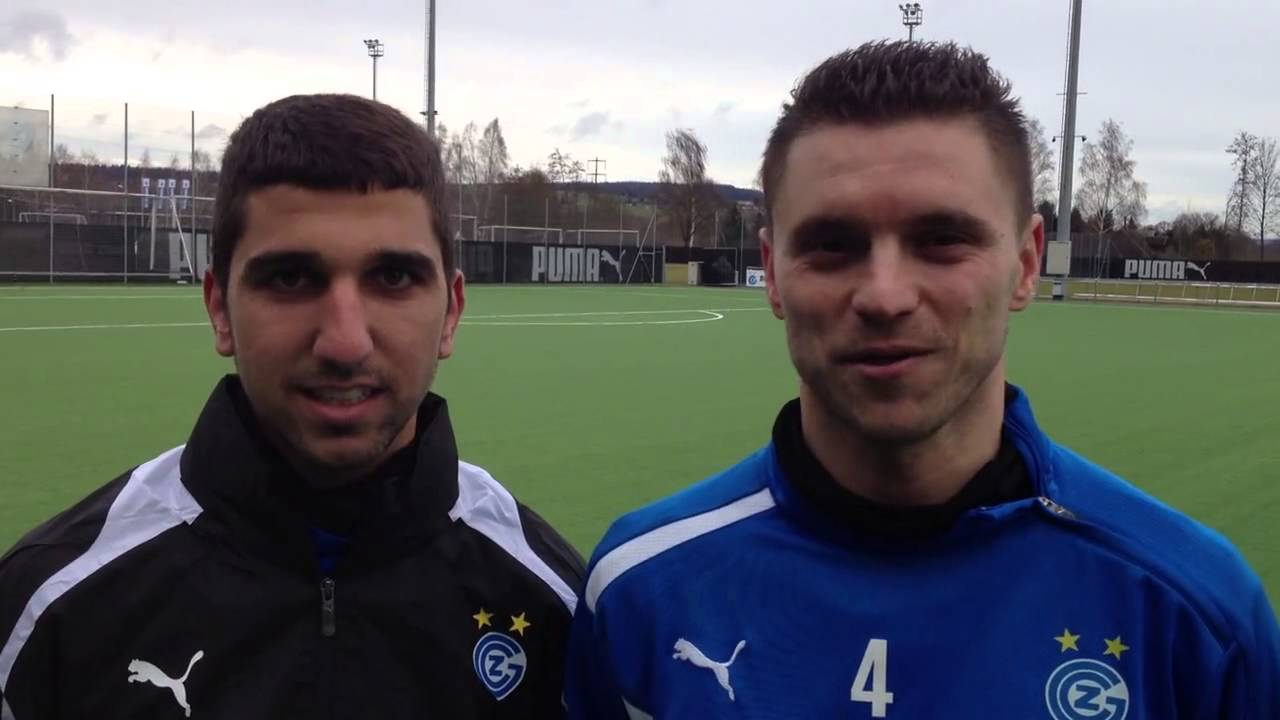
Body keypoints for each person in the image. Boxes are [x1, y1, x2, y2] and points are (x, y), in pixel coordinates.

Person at [566, 41, 1280, 719]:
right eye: (832, 245)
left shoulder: (1195, 615)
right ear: (774, 272)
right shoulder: (640, 591)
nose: (885, 296)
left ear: (1027, 263)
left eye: (942, 240)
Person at [0, 94, 583, 718]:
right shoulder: (51, 607)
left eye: (392, 279)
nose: (345, 343)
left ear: (451, 314)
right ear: (220, 309)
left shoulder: (555, 606)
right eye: (290, 279)